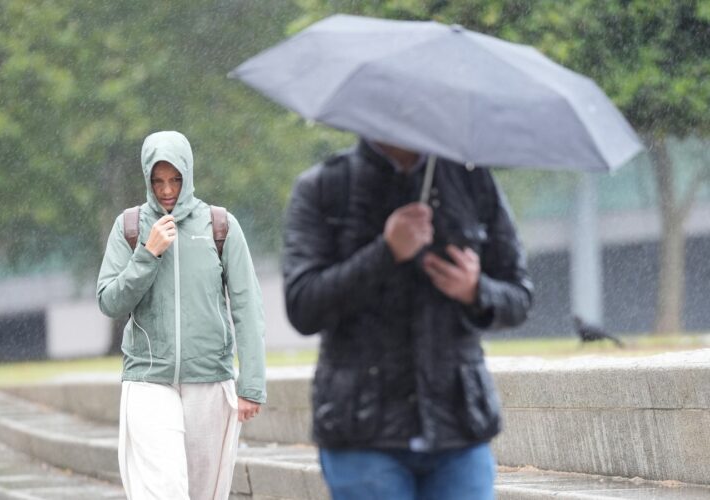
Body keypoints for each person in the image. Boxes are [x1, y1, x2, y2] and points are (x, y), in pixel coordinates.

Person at [283, 138, 533, 500]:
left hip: (458, 430)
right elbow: (303, 305)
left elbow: (520, 296)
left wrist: (476, 290)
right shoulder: (325, 187)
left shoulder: (472, 181)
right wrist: (386, 252)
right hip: (362, 434)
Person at [97, 130, 266, 500]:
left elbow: (247, 306)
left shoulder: (220, 226)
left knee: (204, 493)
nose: (167, 190)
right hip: (148, 378)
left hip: (208, 378)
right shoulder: (129, 227)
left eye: (175, 179)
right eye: (157, 181)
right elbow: (109, 302)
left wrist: (251, 383)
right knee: (166, 490)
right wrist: (147, 253)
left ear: (188, 175)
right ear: (146, 179)